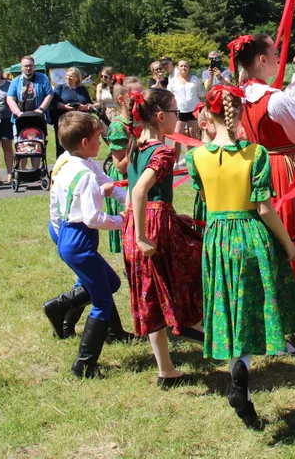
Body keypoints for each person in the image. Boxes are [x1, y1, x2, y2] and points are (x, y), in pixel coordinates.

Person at [186, 84, 295, 430]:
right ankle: (242, 371)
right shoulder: (256, 153)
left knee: (228, 308)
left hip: (217, 238)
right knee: (251, 308)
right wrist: (288, 244)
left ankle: (240, 380)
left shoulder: (196, 157)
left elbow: (205, 198)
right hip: (249, 234)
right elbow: (265, 208)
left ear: (209, 114)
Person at [125, 88, 204, 387]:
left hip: (138, 225)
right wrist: (145, 236)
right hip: (150, 231)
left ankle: (166, 369)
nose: (178, 118)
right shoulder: (163, 152)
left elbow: (143, 196)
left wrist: (168, 214)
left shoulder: (138, 146)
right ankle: (195, 327)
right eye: (175, 113)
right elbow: (139, 190)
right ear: (160, 117)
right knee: (192, 265)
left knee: (152, 295)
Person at [47, 111, 129, 377]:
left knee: (111, 283)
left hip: (71, 236)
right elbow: (93, 218)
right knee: (102, 301)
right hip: (77, 239)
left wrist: (128, 199)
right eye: (97, 138)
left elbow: (108, 185)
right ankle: (84, 365)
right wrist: (123, 220)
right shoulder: (84, 175)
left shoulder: (73, 162)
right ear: (84, 143)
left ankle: (60, 308)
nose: (102, 142)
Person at [230, 35, 295, 260]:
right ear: (263, 59)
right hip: (282, 167)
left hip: (255, 163)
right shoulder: (273, 98)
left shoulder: (242, 94)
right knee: (288, 218)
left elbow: (288, 102)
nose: (279, 58)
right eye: (276, 54)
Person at [102, 76, 143, 254]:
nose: (141, 101)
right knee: (130, 231)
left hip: (137, 177)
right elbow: (119, 166)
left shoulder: (138, 122)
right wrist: (139, 145)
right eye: (136, 97)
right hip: (125, 183)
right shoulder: (118, 126)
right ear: (122, 100)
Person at [6, 56, 54, 169]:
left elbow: (49, 94)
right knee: (22, 143)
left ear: (34, 66)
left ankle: (36, 171)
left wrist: (41, 109)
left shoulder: (42, 78)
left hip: (37, 118)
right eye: (26, 66)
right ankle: (22, 172)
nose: (28, 68)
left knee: (36, 143)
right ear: (21, 67)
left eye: (30, 66)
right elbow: (10, 98)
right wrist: (17, 112)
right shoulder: (16, 81)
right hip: (20, 119)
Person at [52, 68, 95, 158]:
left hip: (80, 120)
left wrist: (84, 107)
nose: (68, 78)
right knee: (63, 145)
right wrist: (65, 107)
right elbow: (54, 102)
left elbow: (89, 102)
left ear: (77, 78)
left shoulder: (82, 89)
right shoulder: (60, 87)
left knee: (80, 144)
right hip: (65, 120)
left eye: (71, 76)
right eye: (67, 76)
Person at [167, 59, 202, 141]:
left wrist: (202, 109)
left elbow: (201, 94)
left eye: (185, 66)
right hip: (179, 111)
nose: (183, 68)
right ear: (178, 68)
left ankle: (193, 153)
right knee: (177, 138)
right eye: (181, 66)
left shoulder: (195, 79)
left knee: (194, 137)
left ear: (189, 68)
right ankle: (177, 154)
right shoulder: (173, 81)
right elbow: (169, 96)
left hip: (193, 111)